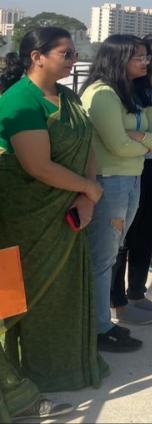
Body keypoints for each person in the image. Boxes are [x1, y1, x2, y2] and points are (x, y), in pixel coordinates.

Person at [0, 28, 107, 420]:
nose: (74, 59)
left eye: (75, 53)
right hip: (28, 218)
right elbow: (38, 166)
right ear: (36, 56)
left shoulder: (68, 97)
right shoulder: (19, 101)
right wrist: (88, 189)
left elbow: (86, 144)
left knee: (63, 291)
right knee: (27, 297)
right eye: (66, 53)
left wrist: (88, 194)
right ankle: (24, 376)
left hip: (69, 211)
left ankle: (65, 366)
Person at [81, 35, 152, 347]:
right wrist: (145, 143)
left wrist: (138, 137)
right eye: (138, 57)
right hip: (109, 180)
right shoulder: (103, 94)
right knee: (102, 257)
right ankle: (97, 329)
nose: (145, 62)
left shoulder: (136, 91)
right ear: (117, 58)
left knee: (113, 252)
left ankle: (101, 323)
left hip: (131, 178)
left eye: (146, 57)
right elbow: (117, 145)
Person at [110, 34, 152, 321]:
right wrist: (147, 140)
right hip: (135, 166)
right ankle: (117, 302)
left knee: (147, 234)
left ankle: (137, 293)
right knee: (124, 238)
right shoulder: (128, 92)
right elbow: (125, 135)